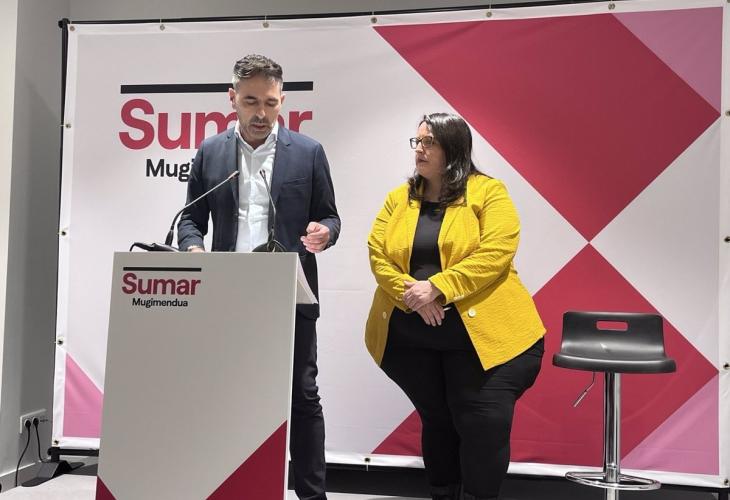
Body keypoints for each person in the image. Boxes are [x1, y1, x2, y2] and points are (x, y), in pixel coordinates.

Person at [178, 54, 340, 500]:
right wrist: (194, 249)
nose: (262, 113)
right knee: (225, 393)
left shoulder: (308, 152)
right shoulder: (210, 152)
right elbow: (190, 219)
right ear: (232, 98)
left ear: (282, 100)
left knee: (302, 396)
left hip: (290, 294)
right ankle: (228, 487)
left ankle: (312, 496)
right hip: (227, 292)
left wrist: (325, 233)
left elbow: (330, 216)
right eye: (251, 101)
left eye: (271, 102)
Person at [365, 113, 545, 500]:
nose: (419, 150)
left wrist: (438, 288)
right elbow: (377, 253)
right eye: (416, 142)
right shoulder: (399, 198)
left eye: (429, 142)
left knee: (482, 424)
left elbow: (496, 252)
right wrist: (413, 295)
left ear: (454, 148)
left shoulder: (488, 192)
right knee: (437, 419)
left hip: (486, 342)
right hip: (412, 340)